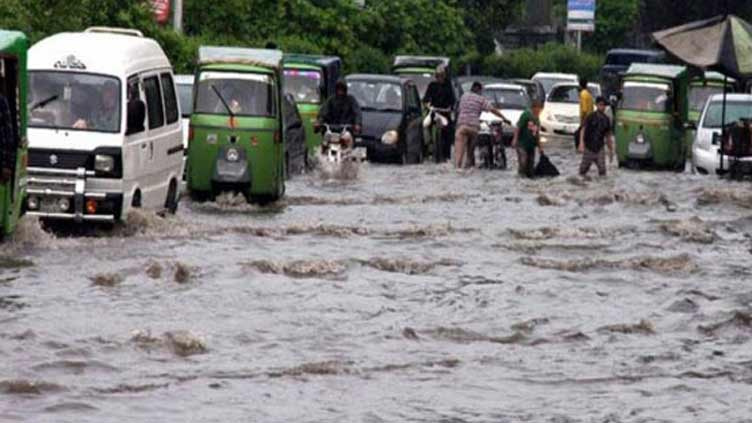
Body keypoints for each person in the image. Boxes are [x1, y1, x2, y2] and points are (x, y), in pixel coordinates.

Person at [454, 81, 509, 169]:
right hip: (473, 128)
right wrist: (504, 119)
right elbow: (493, 110)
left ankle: (458, 167)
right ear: (479, 90)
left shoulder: (464, 96)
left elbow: (461, 110)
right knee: (470, 152)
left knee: (459, 151)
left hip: (461, 126)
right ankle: (469, 166)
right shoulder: (481, 99)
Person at [422, 64, 456, 162]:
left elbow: (452, 100)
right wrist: (427, 105)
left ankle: (447, 154)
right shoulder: (432, 86)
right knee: (426, 126)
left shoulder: (448, 86)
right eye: (438, 76)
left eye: (441, 75)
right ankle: (428, 147)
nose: (439, 78)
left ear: (444, 76)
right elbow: (426, 99)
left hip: (445, 113)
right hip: (433, 111)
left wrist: (450, 108)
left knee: (448, 131)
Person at [317, 80, 362, 147]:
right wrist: (319, 121)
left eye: (342, 89)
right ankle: (324, 151)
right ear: (336, 90)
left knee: (347, 137)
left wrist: (357, 124)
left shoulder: (351, 100)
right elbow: (324, 112)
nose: (340, 92)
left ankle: (348, 151)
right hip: (331, 130)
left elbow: (357, 112)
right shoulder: (331, 100)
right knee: (325, 138)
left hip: (346, 130)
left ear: (345, 90)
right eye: (338, 89)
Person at [578, 96, 614, 177]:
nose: (603, 107)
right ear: (596, 105)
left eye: (604, 105)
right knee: (583, 171)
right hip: (589, 147)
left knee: (602, 171)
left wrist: (611, 151)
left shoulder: (606, 120)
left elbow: (608, 136)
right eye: (601, 105)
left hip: (600, 148)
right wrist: (581, 143)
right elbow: (583, 129)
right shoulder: (590, 116)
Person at [512, 99, 544, 178]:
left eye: (540, 109)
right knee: (523, 161)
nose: (539, 111)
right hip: (522, 144)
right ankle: (520, 177)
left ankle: (527, 180)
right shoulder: (526, 114)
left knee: (530, 165)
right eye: (538, 109)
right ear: (534, 108)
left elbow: (537, 134)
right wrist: (515, 139)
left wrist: (540, 147)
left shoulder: (537, 119)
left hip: (531, 145)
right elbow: (518, 127)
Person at [575, 77, 594, 149]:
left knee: (581, 137)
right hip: (590, 119)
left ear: (580, 85)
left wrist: (583, 122)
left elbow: (584, 110)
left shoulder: (583, 94)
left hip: (586, 120)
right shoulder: (589, 94)